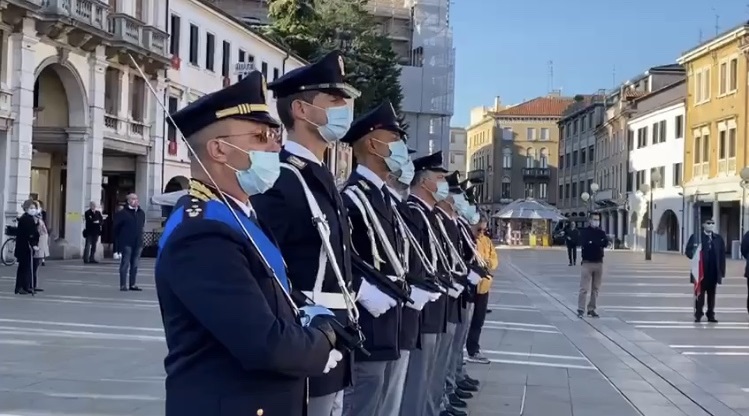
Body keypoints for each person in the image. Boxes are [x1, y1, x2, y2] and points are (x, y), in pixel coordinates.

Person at [157, 70, 342, 416]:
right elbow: (264, 343)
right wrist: (322, 343)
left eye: (273, 134)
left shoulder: (238, 215)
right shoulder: (202, 233)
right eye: (261, 136)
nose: (276, 145)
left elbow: (274, 296)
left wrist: (317, 318)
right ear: (219, 150)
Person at [252, 50, 360, 416]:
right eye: (334, 100)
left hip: (334, 336)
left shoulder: (320, 174)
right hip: (308, 335)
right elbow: (267, 267)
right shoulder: (281, 178)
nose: (345, 108)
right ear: (300, 110)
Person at [339, 101, 436, 416]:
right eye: (395, 140)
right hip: (367, 325)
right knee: (363, 405)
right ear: (371, 144)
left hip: (390, 325)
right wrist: (364, 292)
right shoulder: (353, 197)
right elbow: (342, 260)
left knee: (382, 404)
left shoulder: (382, 196)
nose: (401, 148)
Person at [401, 151, 452, 416]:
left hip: (437, 304)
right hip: (422, 307)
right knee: (417, 377)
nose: (444, 184)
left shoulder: (430, 214)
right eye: (440, 178)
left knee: (428, 372)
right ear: (423, 182)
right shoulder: (413, 211)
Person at [438, 172, 478, 413]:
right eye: (460, 196)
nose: (464, 202)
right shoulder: (435, 218)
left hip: (459, 292)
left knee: (452, 348)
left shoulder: (455, 222)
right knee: (436, 358)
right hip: (444, 295)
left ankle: (447, 390)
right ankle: (442, 396)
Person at [465, 207, 496, 364]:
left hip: (483, 285)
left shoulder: (486, 241)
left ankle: (473, 349)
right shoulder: (469, 239)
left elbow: (494, 258)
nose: (481, 232)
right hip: (470, 285)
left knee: (478, 319)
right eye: (479, 229)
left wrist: (489, 263)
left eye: (484, 229)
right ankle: (459, 351)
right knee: (464, 321)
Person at [686, 218, 725, 323]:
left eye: (713, 223)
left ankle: (710, 314)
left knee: (712, 296)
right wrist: (695, 251)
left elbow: (722, 256)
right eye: (708, 223)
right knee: (700, 294)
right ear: (703, 225)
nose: (711, 225)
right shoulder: (696, 237)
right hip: (700, 271)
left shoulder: (718, 239)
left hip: (713, 271)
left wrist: (722, 272)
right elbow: (688, 252)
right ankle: (698, 314)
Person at [577, 212, 609, 318]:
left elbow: (605, 243)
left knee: (596, 288)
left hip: (599, 263)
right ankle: (581, 309)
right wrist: (596, 243)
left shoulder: (601, 232)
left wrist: (594, 242)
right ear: (590, 221)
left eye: (598, 219)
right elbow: (585, 243)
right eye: (594, 219)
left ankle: (591, 308)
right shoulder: (585, 232)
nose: (597, 221)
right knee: (584, 288)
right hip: (587, 263)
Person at [113, 193, 145, 291]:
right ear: (128, 201)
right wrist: (117, 245)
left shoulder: (141, 213)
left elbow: (141, 226)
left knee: (135, 265)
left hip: (138, 242)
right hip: (126, 242)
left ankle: (132, 284)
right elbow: (116, 229)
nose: (136, 200)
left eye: (136, 198)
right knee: (125, 263)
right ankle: (123, 284)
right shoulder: (123, 213)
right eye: (133, 199)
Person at [14, 199, 39, 295]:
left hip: (26, 247)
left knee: (27, 267)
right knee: (24, 267)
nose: (33, 210)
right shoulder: (26, 219)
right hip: (24, 247)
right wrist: (33, 244)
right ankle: (20, 287)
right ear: (26, 208)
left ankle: (26, 286)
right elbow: (30, 233)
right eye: (31, 208)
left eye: (34, 208)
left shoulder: (29, 218)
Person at [32, 209, 49, 292]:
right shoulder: (37, 223)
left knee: (36, 266)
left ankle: (34, 284)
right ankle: (32, 285)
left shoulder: (40, 221)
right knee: (34, 266)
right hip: (38, 246)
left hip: (41, 246)